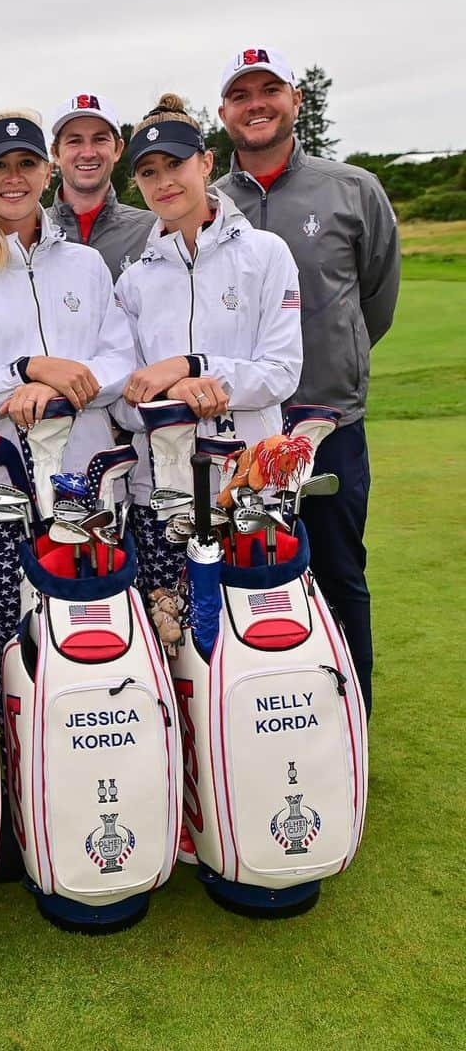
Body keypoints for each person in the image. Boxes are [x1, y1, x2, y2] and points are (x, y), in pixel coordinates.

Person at [214, 47, 400, 716]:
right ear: (223, 113)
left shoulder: (351, 189)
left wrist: (330, 367)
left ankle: (352, 724)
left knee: (341, 575)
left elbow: (375, 301)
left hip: (329, 426)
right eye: (242, 94)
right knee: (246, 576)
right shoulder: (206, 204)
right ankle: (263, 724)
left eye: (270, 90)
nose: (256, 104)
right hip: (239, 434)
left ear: (296, 100)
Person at [0, 110, 135, 709]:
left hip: (90, 485)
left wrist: (62, 386)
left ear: (47, 171)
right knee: (14, 644)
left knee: (99, 636)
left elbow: (117, 364)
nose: (12, 178)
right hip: (0, 494)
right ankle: (23, 785)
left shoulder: (86, 265)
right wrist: (27, 371)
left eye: (25, 164)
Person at [114, 94, 303, 606]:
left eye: (175, 164)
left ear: (206, 163)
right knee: (175, 658)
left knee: (253, 645)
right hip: (163, 498)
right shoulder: (134, 281)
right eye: (149, 172)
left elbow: (281, 373)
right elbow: (125, 406)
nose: (164, 181)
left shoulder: (266, 254)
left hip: (253, 490)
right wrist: (180, 390)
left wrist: (196, 369)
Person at [46, 93, 155, 280]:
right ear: (56, 153)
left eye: (99, 139)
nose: (88, 153)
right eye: (75, 141)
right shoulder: (31, 233)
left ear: (118, 149)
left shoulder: (153, 231)